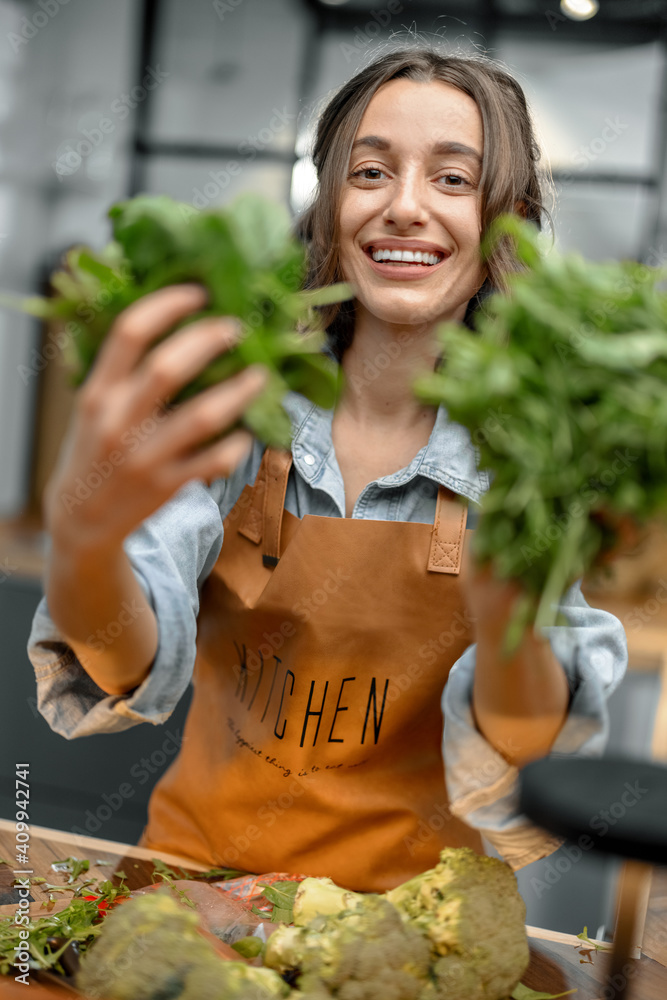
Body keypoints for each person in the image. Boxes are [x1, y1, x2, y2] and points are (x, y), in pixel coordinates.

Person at [27, 46, 627, 892]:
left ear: (510, 217)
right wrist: (83, 541)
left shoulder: (528, 457)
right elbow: (126, 663)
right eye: (370, 171)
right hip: (193, 893)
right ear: (328, 199)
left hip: (409, 937)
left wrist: (509, 625)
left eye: (453, 180)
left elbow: (527, 758)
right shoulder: (235, 411)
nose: (405, 208)